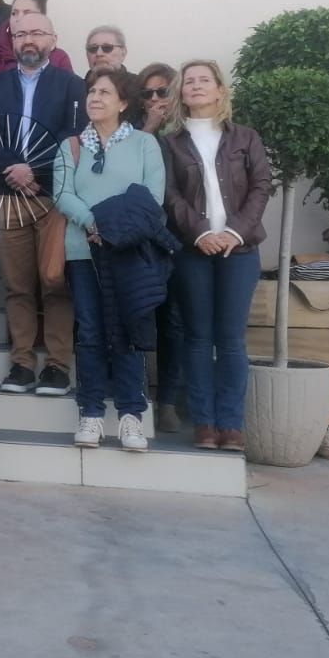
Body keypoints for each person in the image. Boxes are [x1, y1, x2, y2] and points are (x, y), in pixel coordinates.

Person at [53, 69, 166, 453]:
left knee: (129, 332)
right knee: (90, 333)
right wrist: (93, 222)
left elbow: (152, 197)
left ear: (123, 103)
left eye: (106, 92)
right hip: (83, 251)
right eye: (92, 91)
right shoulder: (70, 146)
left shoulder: (144, 144)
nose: (95, 97)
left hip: (128, 252)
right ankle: (91, 413)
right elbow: (63, 194)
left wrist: (114, 229)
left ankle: (132, 416)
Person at [162, 60, 272, 453]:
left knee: (230, 341)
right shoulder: (170, 142)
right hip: (193, 251)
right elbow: (170, 195)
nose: (196, 86)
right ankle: (204, 424)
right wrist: (202, 232)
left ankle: (231, 425)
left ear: (220, 91)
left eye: (203, 80)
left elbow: (261, 186)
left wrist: (233, 231)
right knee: (196, 338)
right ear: (181, 93)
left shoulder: (246, 138)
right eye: (188, 82)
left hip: (240, 251)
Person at [0, 13, 86, 397]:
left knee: (55, 282)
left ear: (53, 39)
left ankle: (57, 366)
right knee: (17, 284)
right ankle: (21, 363)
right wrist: (12, 171)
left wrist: (34, 171)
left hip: (52, 195)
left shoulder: (73, 85)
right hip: (8, 196)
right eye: (20, 34)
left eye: (37, 33)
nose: (28, 40)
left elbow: (73, 136)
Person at [137, 61, 184, 432]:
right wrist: (149, 128)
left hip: (183, 239)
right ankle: (135, 395)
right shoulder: (137, 134)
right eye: (148, 94)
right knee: (137, 318)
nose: (155, 99)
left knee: (175, 324)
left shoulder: (188, 134)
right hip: (144, 240)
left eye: (162, 92)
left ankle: (167, 400)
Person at [0, 0, 75, 111]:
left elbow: (69, 103)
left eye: (27, 12)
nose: (18, 18)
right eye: (14, 13)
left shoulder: (59, 58)